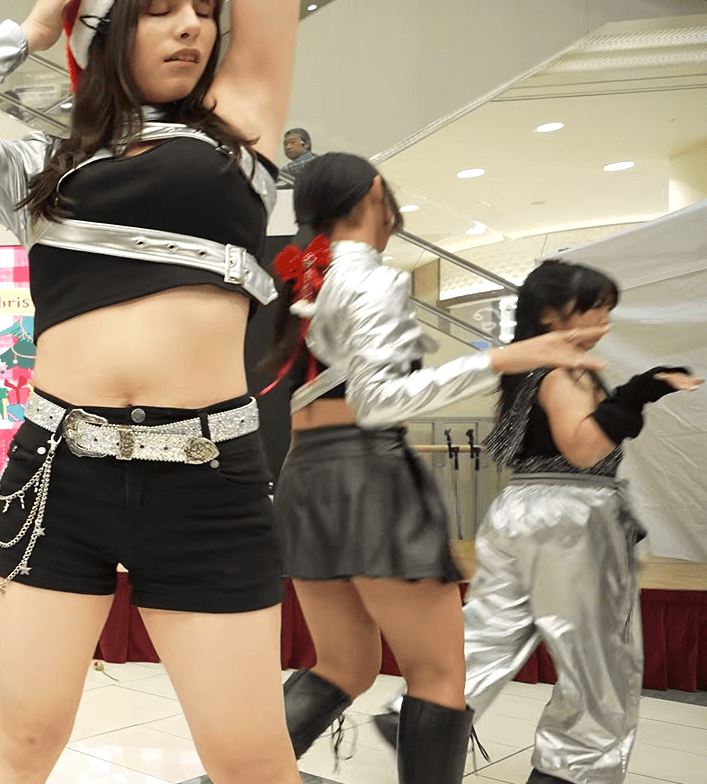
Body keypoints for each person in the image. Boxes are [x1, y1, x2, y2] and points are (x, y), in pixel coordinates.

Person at [0, 1, 302, 782]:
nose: (190, 26)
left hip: (206, 484)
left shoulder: (238, 128)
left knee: (249, 758)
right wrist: (33, 29)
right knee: (25, 736)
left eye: (203, 11)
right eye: (159, 10)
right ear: (106, 30)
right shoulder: (44, 166)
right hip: (56, 476)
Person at [259, 153, 612, 784]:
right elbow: (378, 402)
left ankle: (237, 775)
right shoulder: (372, 279)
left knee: (343, 666)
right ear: (374, 193)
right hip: (368, 474)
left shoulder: (309, 281)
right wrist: (502, 359)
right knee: (440, 674)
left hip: (305, 473)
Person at [373, 260, 702, 784]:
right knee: (597, 661)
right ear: (551, 315)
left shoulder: (526, 372)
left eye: (607, 310)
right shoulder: (562, 372)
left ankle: (420, 714)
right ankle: (571, 771)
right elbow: (582, 449)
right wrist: (640, 392)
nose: (604, 322)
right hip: (574, 515)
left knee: (491, 628)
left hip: (519, 509)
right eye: (594, 309)